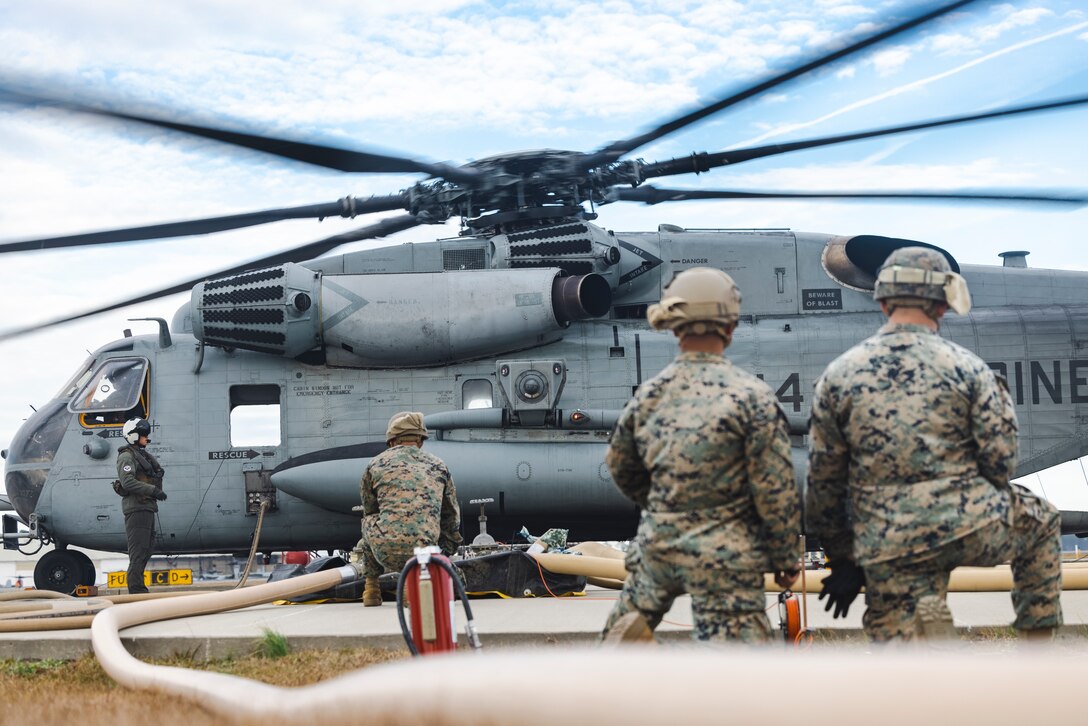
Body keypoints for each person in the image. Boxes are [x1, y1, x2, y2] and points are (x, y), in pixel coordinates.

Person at [807, 247, 1063, 642]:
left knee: (895, 620)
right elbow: (1000, 464)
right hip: (966, 523)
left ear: (883, 300)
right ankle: (1036, 653)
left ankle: (904, 629)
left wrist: (844, 558)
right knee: (1041, 521)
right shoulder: (970, 369)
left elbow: (823, 484)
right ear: (943, 304)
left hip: (884, 534)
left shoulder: (837, 376)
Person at [600, 267, 802, 644]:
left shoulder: (650, 395)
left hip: (660, 543)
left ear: (674, 328)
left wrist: (664, 504)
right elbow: (775, 488)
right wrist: (785, 557)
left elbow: (620, 464)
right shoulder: (751, 396)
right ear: (730, 326)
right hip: (726, 549)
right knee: (738, 660)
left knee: (621, 635)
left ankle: (629, 654)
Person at [355, 411, 462, 607]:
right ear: (420, 440)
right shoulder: (439, 465)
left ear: (392, 441)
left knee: (368, 520)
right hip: (425, 553)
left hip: (385, 552)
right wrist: (444, 553)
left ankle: (371, 589)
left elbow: (369, 508)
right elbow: (451, 518)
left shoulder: (375, 464)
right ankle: (414, 583)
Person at [116, 417, 166, 595]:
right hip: (136, 509)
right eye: (143, 435)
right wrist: (153, 490)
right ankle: (136, 591)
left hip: (146, 508)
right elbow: (127, 482)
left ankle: (139, 589)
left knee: (146, 549)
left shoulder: (141, 455)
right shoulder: (126, 457)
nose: (147, 438)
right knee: (138, 551)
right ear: (134, 436)